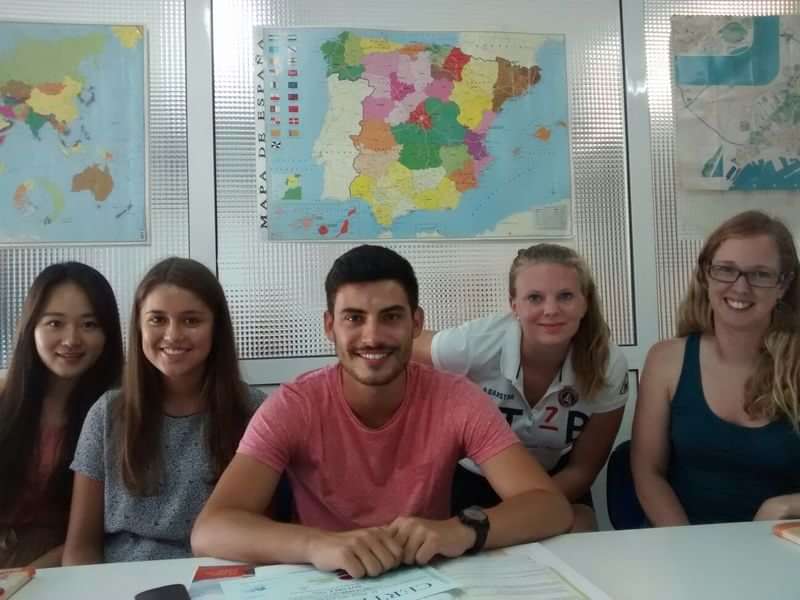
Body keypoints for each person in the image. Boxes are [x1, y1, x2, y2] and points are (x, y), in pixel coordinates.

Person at [191, 245, 572, 578]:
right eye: (354, 318)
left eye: (391, 317)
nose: (372, 336)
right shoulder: (294, 405)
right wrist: (317, 545)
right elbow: (211, 529)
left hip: (427, 577)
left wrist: (461, 530)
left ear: (416, 323)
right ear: (330, 326)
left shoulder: (457, 398)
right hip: (324, 581)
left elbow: (550, 506)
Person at [413, 243, 628, 531]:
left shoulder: (608, 364)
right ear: (514, 305)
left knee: (581, 526)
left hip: (553, 480)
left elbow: (583, 469)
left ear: (585, 302)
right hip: (473, 477)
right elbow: (406, 343)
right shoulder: (477, 343)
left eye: (565, 296)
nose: (550, 310)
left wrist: (516, 518)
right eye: (534, 298)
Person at [62, 257, 264, 564]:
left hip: (222, 580)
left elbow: (263, 534)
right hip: (122, 583)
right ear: (139, 326)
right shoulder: (107, 414)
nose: (172, 335)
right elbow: (80, 548)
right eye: (157, 319)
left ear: (216, 328)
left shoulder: (255, 412)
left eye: (191, 320)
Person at [632, 210, 800, 526]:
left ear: (783, 285)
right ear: (706, 275)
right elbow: (648, 474)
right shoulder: (666, 360)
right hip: (680, 547)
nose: (740, 287)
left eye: (760, 274)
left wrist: (788, 505)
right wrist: (688, 545)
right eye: (726, 270)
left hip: (780, 552)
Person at [0, 263, 123, 568]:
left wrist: (27, 574)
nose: (71, 340)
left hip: (62, 567)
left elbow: (102, 534)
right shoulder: (3, 400)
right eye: (55, 323)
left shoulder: (119, 413)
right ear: (32, 327)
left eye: (89, 324)